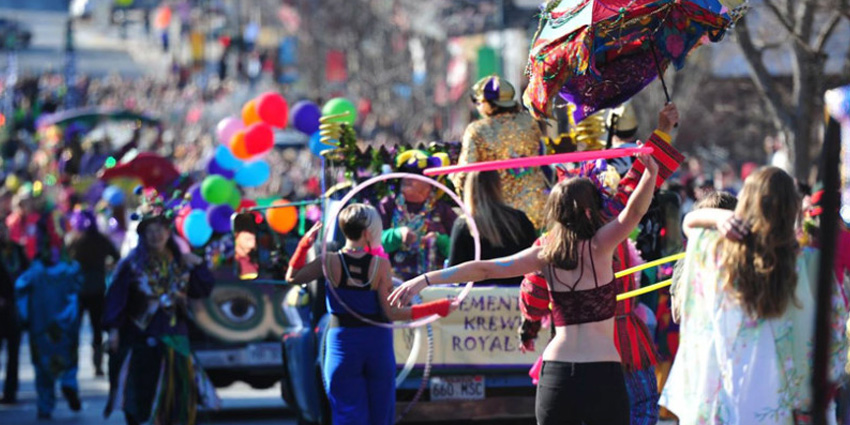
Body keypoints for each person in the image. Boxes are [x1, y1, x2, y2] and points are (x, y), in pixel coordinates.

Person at [391, 153, 661, 425]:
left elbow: (484, 268)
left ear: (555, 212)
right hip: (602, 371)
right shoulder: (602, 245)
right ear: (590, 210)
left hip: (558, 373)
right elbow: (635, 211)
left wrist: (425, 279)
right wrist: (650, 173)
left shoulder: (544, 254)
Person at [660, 167, 848, 425]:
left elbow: (689, 223)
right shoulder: (810, 262)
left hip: (730, 401)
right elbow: (836, 331)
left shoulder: (720, 256)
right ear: (793, 210)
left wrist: (719, 218)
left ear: (745, 204)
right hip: (788, 402)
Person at [286, 204, 455, 425]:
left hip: (343, 344)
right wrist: (437, 308)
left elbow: (293, 276)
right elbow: (392, 312)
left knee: (347, 413)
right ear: (368, 233)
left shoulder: (329, 260)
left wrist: (304, 244)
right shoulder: (380, 265)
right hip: (376, 345)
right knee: (380, 415)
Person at [103, 204, 219, 425]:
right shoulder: (132, 264)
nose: (156, 235)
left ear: (169, 232)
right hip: (142, 339)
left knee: (179, 400)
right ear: (143, 235)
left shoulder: (181, 261)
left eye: (160, 230)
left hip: (176, 338)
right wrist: (114, 331)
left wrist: (199, 265)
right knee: (143, 399)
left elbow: (201, 290)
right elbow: (116, 298)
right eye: (150, 231)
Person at [453, 75, 550, 229]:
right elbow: (542, 159)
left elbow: (466, 172)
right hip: (536, 207)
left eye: (478, 102)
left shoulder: (477, 130)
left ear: (488, 104)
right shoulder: (530, 122)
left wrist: (455, 183)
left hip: (498, 214)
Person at [15, 218, 84, 419]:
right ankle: (69, 384)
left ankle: (45, 405)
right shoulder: (72, 269)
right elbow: (78, 289)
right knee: (69, 359)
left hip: (41, 324)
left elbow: (20, 289)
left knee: (43, 366)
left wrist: (25, 316)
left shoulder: (34, 272)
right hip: (66, 323)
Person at [448, 171, 537, 285]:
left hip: (476, 297)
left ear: (469, 188)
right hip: (515, 293)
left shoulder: (464, 224)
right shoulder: (519, 219)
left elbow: (453, 272)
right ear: (498, 186)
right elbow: (534, 260)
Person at [380, 150, 457, 280]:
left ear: (430, 184)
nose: (408, 178)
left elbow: (460, 249)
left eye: (416, 175)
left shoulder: (443, 210)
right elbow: (370, 242)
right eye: (406, 173)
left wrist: (439, 240)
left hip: (435, 283)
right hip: (392, 281)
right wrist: (397, 235)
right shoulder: (387, 205)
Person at [67, 209, 120, 377]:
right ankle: (97, 365)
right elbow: (117, 256)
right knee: (97, 329)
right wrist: (107, 266)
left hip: (79, 290)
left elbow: (65, 262)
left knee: (74, 330)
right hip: (97, 289)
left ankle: (72, 364)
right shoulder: (101, 240)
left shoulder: (74, 241)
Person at [0, 218, 28, 405]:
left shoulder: (17, 250)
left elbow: (27, 272)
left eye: (3, 229)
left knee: (13, 354)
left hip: (14, 310)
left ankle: (10, 392)